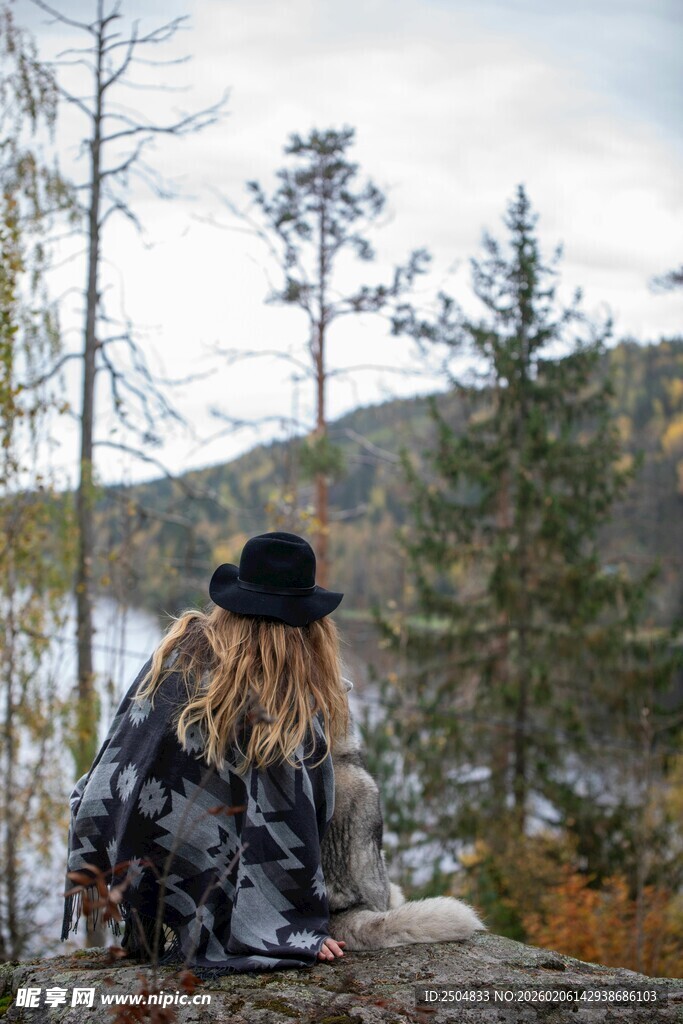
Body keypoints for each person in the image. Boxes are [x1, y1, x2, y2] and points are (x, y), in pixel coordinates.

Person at [61, 532, 350, 976]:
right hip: (202, 857)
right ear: (306, 627)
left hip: (135, 851)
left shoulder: (178, 655)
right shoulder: (286, 707)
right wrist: (294, 926)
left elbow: (120, 761)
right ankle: (235, 917)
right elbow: (303, 815)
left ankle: (160, 919)